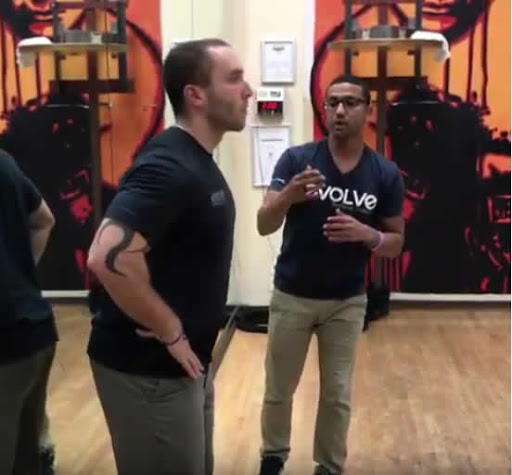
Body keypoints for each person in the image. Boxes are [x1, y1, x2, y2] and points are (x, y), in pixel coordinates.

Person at [86, 38, 252, 475]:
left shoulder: (196, 160)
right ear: (196, 95)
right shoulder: (168, 165)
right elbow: (108, 256)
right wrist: (171, 330)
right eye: (234, 79)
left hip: (184, 369)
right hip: (149, 375)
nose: (249, 91)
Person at [257, 75, 405, 475]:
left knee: (337, 393)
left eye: (350, 103)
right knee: (279, 387)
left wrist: (367, 235)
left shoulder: (385, 173)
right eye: (332, 102)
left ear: (368, 110)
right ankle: (273, 456)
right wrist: (288, 196)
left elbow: (395, 243)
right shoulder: (296, 160)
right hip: (292, 294)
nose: (340, 111)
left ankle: (329, 465)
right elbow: (263, 224)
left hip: (347, 301)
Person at [0, 149, 57, 474]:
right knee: (27, 460)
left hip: (6, 344)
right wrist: (20, 276)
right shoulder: (3, 161)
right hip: (36, 332)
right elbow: (44, 219)